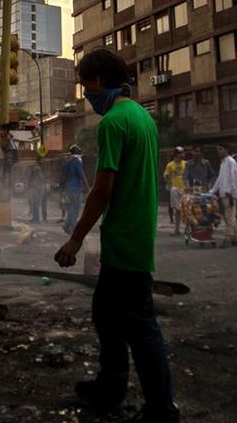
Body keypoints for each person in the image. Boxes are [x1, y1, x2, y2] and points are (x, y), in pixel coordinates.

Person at [55, 48, 181, 422]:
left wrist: (75, 239)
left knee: (141, 329)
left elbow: (102, 189)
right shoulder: (142, 117)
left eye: (84, 86)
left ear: (97, 82)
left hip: (125, 239)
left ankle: (162, 410)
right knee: (107, 315)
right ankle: (110, 387)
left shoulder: (112, 123)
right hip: (136, 232)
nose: (85, 95)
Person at [210, 148, 237, 247]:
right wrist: (213, 191)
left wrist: (231, 192)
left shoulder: (231, 162)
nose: (219, 151)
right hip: (224, 193)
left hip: (229, 194)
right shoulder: (223, 163)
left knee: (229, 216)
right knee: (230, 216)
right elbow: (220, 178)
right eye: (218, 149)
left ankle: (227, 238)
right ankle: (235, 239)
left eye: (221, 149)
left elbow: (233, 177)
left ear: (226, 150)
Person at [63, 145, 87, 234]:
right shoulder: (77, 162)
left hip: (67, 188)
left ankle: (66, 225)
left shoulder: (67, 162)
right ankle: (72, 227)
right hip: (76, 189)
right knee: (76, 208)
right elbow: (82, 175)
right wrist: (88, 187)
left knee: (69, 208)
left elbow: (63, 175)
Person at [163, 148, 188, 235]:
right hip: (175, 189)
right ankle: (177, 229)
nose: (183, 154)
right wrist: (170, 185)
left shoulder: (186, 163)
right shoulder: (170, 165)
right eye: (181, 153)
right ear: (176, 154)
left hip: (185, 188)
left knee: (187, 209)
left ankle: (187, 229)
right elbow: (166, 175)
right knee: (178, 210)